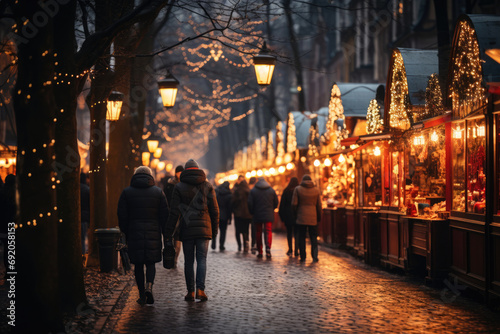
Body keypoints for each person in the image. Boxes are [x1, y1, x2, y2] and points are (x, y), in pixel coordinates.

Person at [165, 159, 219, 302]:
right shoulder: (207, 186)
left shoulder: (179, 187)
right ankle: (200, 290)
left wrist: (168, 232)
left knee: (189, 261)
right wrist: (214, 230)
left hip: (187, 228)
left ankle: (190, 291)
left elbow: (174, 212)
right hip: (204, 228)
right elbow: (215, 211)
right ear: (198, 169)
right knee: (202, 259)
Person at [118, 166, 169, 305]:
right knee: (151, 263)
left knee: (138, 265)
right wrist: (166, 235)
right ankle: (149, 286)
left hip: (134, 232)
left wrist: (125, 231)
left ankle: (141, 294)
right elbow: (165, 216)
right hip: (153, 232)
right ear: (150, 177)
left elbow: (122, 215)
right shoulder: (158, 192)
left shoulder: (127, 192)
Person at [292, 175, 322, 262]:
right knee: (313, 237)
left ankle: (303, 255)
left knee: (302, 236)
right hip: (313, 217)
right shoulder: (316, 190)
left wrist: (295, 214)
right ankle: (314, 255)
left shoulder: (298, 189)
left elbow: (294, 203)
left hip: (301, 216)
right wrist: (319, 217)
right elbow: (319, 205)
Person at [248, 176, 278, 259]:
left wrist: (252, 212)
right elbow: (276, 202)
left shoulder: (253, 191)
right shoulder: (271, 190)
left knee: (258, 232)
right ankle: (268, 248)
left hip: (257, 215)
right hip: (268, 214)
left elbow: (250, 203)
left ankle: (260, 251)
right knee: (268, 231)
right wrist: (272, 209)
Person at [164, 165, 184, 268]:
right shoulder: (170, 184)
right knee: (170, 238)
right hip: (171, 214)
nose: (179, 174)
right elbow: (165, 198)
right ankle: (171, 258)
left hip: (181, 216)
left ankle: (175, 259)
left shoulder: (185, 185)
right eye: (178, 172)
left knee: (178, 239)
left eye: (181, 172)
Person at [279, 177, 299, 257]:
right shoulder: (298, 190)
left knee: (289, 233)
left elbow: (282, 205)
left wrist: (282, 216)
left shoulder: (286, 191)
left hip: (288, 214)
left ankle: (290, 249)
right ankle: (297, 249)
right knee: (297, 232)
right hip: (297, 214)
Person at [231, 176, 252, 253]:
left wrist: (234, 210)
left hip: (238, 214)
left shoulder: (237, 191)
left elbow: (233, 202)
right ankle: (246, 244)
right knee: (245, 230)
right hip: (247, 214)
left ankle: (239, 245)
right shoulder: (249, 191)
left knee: (238, 230)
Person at [0, 174, 15, 275]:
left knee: (7, 247)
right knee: (10, 247)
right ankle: (10, 269)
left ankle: (9, 269)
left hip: (3, 224)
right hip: (8, 223)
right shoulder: (12, 194)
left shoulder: (2, 192)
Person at [214, 181, 231, 251]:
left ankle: (213, 243)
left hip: (216, 214)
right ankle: (221, 245)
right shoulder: (229, 195)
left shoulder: (217, 192)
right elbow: (230, 208)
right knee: (223, 231)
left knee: (215, 230)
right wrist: (229, 218)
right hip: (225, 215)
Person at [80, 172, 90, 255]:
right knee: (83, 238)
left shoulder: (76, 189)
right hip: (84, 217)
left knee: (81, 238)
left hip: (79, 216)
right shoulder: (87, 189)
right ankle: (83, 254)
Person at [248, 177, 258, 254]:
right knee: (258, 230)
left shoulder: (249, 189)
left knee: (252, 230)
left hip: (251, 212)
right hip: (256, 213)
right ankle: (257, 245)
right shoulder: (255, 190)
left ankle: (252, 243)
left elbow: (250, 203)